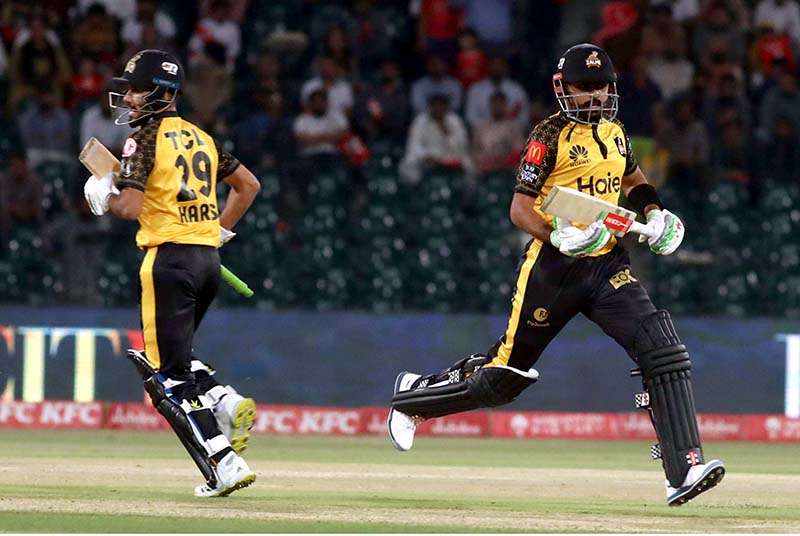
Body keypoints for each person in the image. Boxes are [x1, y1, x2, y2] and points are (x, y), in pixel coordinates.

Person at [387, 43, 726, 507]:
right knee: (504, 378)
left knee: (662, 348)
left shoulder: (615, 130)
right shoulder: (548, 136)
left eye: (601, 86)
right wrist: (558, 237)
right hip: (554, 268)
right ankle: (414, 397)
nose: (593, 95)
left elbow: (632, 176)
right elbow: (519, 209)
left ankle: (683, 470)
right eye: (583, 87)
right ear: (563, 88)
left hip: (607, 263)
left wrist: (655, 211)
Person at [82, 49, 261, 497]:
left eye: (138, 90)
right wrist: (218, 231)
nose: (129, 99)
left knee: (166, 377)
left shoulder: (144, 139)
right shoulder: (201, 136)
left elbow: (132, 206)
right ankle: (223, 399)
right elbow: (248, 186)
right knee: (178, 359)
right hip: (207, 262)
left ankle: (224, 463)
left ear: (162, 94)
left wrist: (103, 194)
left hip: (168, 261)